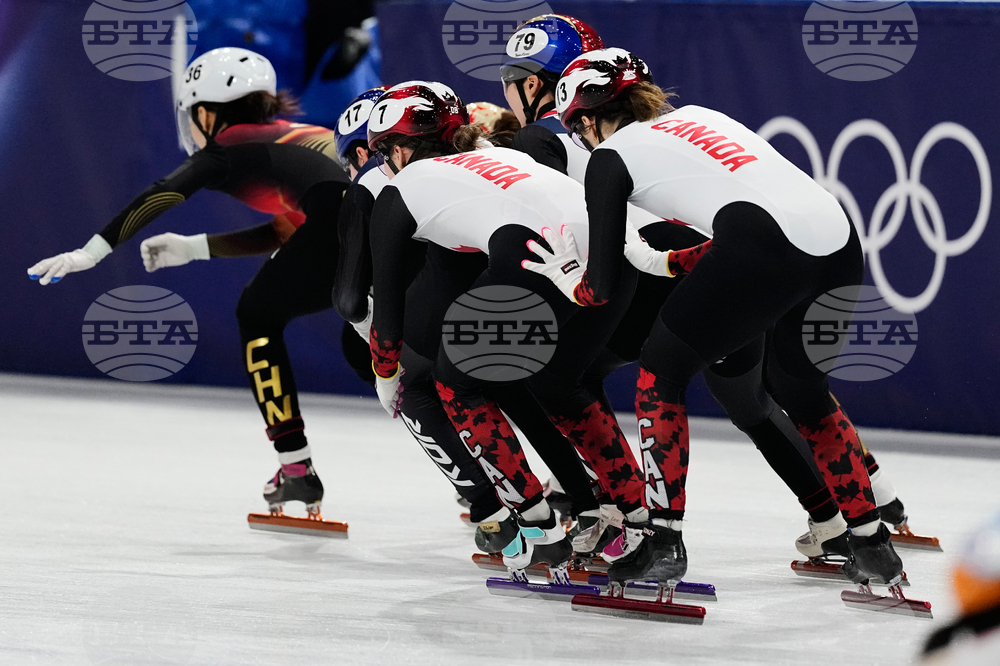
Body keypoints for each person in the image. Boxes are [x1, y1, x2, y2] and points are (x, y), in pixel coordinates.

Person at [525, 47, 905, 587]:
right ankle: (871, 545)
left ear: (586, 120)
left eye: (579, 129)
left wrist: (566, 273)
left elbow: (601, 287)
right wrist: (662, 259)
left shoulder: (610, 158)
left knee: (660, 374)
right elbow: (716, 227)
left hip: (765, 246)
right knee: (803, 394)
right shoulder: (704, 116)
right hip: (838, 238)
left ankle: (663, 542)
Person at [26, 48, 364, 521]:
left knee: (258, 314)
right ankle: (484, 477)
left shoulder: (230, 147)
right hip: (380, 222)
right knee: (386, 359)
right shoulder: (290, 139)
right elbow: (296, 231)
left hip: (341, 222)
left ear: (204, 112)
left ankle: (295, 469)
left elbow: (162, 192)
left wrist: (91, 251)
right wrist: (193, 247)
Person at [365, 80, 654, 579]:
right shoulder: (500, 156)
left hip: (540, 257)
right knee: (560, 384)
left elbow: (386, 304)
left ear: (400, 147)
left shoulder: (402, 188)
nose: (383, 165)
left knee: (456, 382)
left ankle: (538, 529)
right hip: (617, 253)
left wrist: (385, 373)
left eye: (383, 153)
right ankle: (633, 524)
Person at [332, 88, 602, 551]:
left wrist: (382, 363)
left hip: (455, 289)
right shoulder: (486, 152)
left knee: (425, 381)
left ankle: (502, 514)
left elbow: (353, 299)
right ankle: (592, 503)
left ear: (387, 149)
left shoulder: (380, 184)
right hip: (568, 262)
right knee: (514, 384)